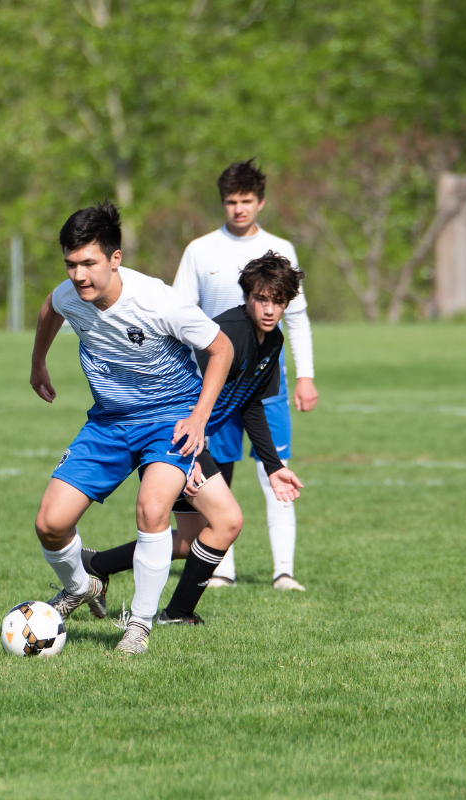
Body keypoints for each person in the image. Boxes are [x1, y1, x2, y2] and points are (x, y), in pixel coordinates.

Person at [29, 201, 233, 655]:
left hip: (169, 419)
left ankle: (139, 625)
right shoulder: (69, 295)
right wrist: (38, 362)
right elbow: (50, 308)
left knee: (152, 508)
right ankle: (81, 587)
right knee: (50, 524)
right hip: (108, 422)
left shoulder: (158, 301)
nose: (78, 275)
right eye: (70, 264)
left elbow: (221, 349)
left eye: (89, 263)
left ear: (114, 259)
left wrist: (199, 417)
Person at [83, 252, 306, 623]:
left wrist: (272, 466)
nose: (269, 309)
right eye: (262, 299)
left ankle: (97, 564)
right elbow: (181, 393)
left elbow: (250, 404)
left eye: (278, 301)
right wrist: (181, 461)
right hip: (172, 431)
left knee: (190, 539)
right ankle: (177, 611)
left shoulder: (273, 341)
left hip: (189, 440)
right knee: (227, 522)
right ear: (247, 296)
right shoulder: (227, 334)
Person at [173, 158, 318, 591]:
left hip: (264, 376)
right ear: (222, 202)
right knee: (221, 469)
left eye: (247, 201)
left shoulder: (282, 249)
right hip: (212, 381)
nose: (239, 209)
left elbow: (298, 318)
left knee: (274, 465)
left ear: (261, 202)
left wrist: (306, 375)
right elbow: (180, 316)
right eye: (231, 201)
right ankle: (222, 569)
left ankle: (284, 571)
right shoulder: (200, 250)